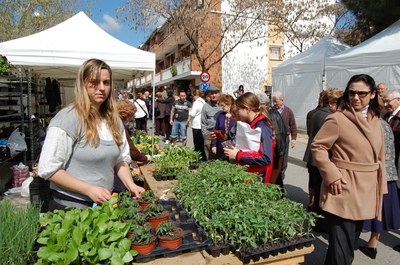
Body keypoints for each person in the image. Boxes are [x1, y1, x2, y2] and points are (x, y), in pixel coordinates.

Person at [38, 58, 145, 210]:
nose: (101, 88)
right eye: (94, 82)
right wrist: (88, 189)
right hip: (70, 209)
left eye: (106, 83)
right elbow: (48, 169)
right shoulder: (67, 119)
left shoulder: (114, 121)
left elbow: (120, 160)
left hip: (103, 206)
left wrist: (131, 185)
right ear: (83, 84)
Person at [311, 74, 387, 265]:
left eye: (362, 93)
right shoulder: (337, 119)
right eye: (352, 92)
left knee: (347, 243)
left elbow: (380, 157)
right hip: (344, 186)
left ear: (372, 94)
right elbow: (318, 147)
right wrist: (332, 175)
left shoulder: (376, 120)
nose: (356, 97)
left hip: (367, 188)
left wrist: (381, 186)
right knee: (343, 247)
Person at [303, 88, 343, 232]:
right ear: (333, 103)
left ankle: (316, 220)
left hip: (314, 159)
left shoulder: (317, 113)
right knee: (322, 193)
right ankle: (320, 223)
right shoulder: (329, 117)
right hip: (321, 160)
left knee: (317, 189)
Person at [360, 117, 400, 259]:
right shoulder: (385, 124)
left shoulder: (374, 125)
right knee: (380, 210)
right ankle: (372, 244)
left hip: (378, 175)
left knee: (375, 209)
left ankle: (371, 244)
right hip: (388, 173)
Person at [224, 92, 273, 183]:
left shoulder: (262, 127)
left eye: (238, 109)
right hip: (250, 175)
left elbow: (266, 159)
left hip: (259, 177)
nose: (237, 113)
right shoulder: (250, 124)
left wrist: (238, 155)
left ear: (247, 109)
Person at [381, 89, 400, 253]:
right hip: (393, 166)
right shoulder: (387, 117)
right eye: (384, 101)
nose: (386, 104)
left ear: (398, 99)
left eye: (388, 101)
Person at [272, 91, 297, 181]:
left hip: (285, 138)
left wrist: (294, 138)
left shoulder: (288, 111)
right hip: (274, 138)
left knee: (284, 160)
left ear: (282, 100)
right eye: (273, 101)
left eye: (276, 101)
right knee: (275, 160)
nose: (274, 103)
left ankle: (281, 178)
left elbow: (293, 125)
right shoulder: (272, 111)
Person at [201, 86, 222, 160]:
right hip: (210, 135)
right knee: (210, 159)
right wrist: (205, 134)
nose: (214, 95)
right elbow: (203, 122)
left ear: (219, 94)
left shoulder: (223, 105)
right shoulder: (205, 107)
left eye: (216, 93)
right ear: (209, 95)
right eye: (212, 93)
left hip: (221, 136)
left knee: (221, 158)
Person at [211, 94, 235, 159]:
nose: (222, 107)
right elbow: (216, 130)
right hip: (221, 145)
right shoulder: (220, 116)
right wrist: (214, 145)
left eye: (223, 105)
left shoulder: (236, 117)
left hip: (233, 146)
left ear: (229, 104)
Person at [189, 89, 207, 160]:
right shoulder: (203, 102)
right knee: (201, 143)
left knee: (196, 143)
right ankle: (203, 157)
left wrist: (189, 111)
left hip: (196, 124)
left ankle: (197, 158)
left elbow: (193, 114)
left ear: (195, 95)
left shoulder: (196, 103)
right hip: (202, 124)